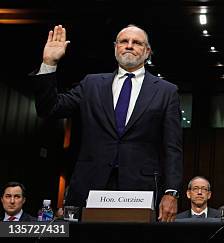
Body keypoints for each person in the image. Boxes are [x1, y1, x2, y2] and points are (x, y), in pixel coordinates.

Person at [31, 25, 183, 222]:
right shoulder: (91, 84)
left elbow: (173, 147)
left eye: (136, 43)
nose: (129, 46)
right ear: (115, 48)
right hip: (89, 185)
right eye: (123, 41)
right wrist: (49, 64)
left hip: (140, 188)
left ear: (147, 52)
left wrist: (171, 193)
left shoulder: (166, 91)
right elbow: (49, 109)